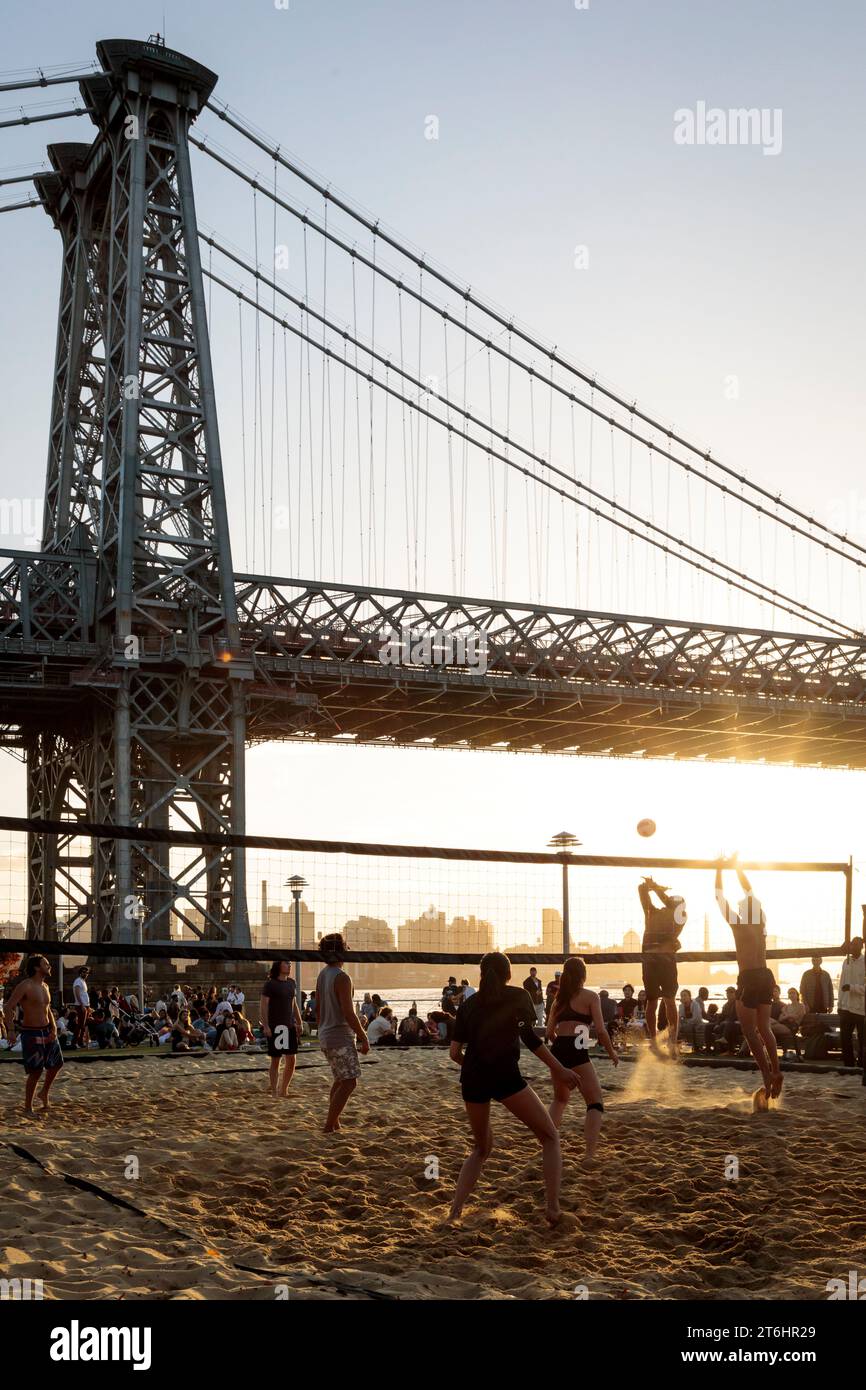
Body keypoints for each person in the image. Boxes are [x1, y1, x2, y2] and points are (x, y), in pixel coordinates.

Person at [448, 951, 578, 1225]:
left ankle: (454, 1213)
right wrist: (561, 1070)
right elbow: (531, 1040)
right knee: (550, 1137)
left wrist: (474, 1066)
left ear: (482, 975)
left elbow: (454, 1052)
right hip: (505, 1077)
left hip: (473, 1079)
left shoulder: (468, 1004)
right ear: (508, 974)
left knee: (481, 1149)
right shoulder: (518, 996)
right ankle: (553, 1209)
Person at [714, 857, 782, 1103]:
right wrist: (737, 868)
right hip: (766, 975)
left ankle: (766, 1075)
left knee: (749, 1032)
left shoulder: (739, 925)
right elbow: (749, 890)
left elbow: (719, 898)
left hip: (749, 978)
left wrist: (719, 868)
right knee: (765, 1028)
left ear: (743, 911)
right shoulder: (760, 924)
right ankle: (776, 1069)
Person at [547, 956, 618, 1164]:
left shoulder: (558, 999)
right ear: (583, 975)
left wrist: (562, 1048)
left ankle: (546, 1144)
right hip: (578, 1050)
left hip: (558, 1050)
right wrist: (612, 1053)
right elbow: (602, 1031)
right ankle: (588, 1155)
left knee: (560, 1100)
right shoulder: (590, 996)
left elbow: (550, 1033)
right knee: (595, 1103)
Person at [315, 933, 369, 1132]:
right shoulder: (342, 977)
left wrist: (321, 1031)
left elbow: (319, 1008)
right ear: (339, 950)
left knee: (340, 1080)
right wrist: (364, 1037)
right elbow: (348, 1012)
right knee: (349, 1083)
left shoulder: (322, 974)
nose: (348, 949)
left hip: (326, 1034)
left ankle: (334, 1122)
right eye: (346, 946)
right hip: (339, 1035)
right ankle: (329, 1125)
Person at [4, 955, 64, 1113]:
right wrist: (10, 1029)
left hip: (47, 1030)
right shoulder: (26, 985)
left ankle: (43, 1092)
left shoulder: (45, 986)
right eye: (46, 964)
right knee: (36, 1071)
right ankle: (28, 1107)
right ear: (37, 967)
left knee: (57, 1064)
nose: (49, 966)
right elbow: (8, 1007)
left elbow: (48, 1009)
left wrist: (54, 1028)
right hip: (31, 1032)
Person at [638, 877, 684, 1058]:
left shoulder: (676, 915)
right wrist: (651, 886)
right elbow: (641, 890)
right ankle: (659, 1041)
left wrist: (654, 887)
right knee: (656, 1001)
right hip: (658, 960)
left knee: (663, 1000)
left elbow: (643, 891)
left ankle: (668, 1041)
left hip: (658, 960)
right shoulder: (653, 912)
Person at [260, 960, 304, 1096]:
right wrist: (266, 1026)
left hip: (289, 1025)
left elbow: (294, 1003)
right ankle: (274, 1091)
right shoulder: (271, 984)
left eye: (290, 963)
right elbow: (263, 1005)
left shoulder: (291, 983)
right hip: (276, 1026)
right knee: (276, 1059)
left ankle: (284, 1090)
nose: (290, 965)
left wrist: (299, 1021)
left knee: (291, 1059)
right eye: (286, 963)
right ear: (279, 966)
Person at [838, 936, 865, 1068]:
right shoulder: (846, 961)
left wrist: (852, 988)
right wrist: (839, 1004)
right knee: (845, 1038)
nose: (853, 947)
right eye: (852, 945)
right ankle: (848, 1065)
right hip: (845, 1007)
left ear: (861, 947)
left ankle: (861, 1064)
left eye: (855, 945)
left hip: (860, 1008)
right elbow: (841, 984)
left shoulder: (865, 962)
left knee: (862, 1039)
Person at [771, 987, 805, 1059]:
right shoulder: (786, 1006)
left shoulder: (801, 1006)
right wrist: (789, 1016)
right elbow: (780, 1019)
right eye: (790, 993)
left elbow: (796, 1017)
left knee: (767, 1028)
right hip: (783, 1025)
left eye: (793, 993)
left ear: (797, 995)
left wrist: (786, 1015)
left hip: (792, 1027)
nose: (791, 994)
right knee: (768, 1027)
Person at [72, 966, 92, 1048]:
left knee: (83, 1025)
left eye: (87, 972)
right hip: (81, 1005)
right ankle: (74, 1042)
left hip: (86, 1005)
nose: (86, 974)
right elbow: (77, 993)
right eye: (84, 972)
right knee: (80, 1024)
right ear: (80, 972)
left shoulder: (83, 981)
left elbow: (84, 994)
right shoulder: (78, 981)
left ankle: (80, 1042)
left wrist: (88, 1006)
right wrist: (82, 1005)